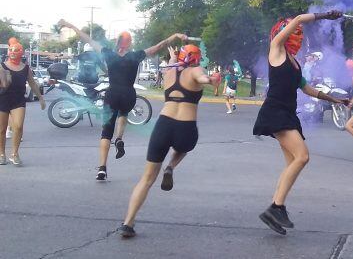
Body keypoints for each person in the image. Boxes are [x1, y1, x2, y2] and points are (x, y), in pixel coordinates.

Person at [252, 11, 349, 235]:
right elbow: (296, 19)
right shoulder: (276, 50)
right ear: (282, 33)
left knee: (293, 163)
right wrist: (325, 15)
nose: (297, 33)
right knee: (303, 156)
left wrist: (335, 100)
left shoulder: (294, 62)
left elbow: (308, 89)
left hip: (288, 114)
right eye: (293, 31)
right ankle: (275, 207)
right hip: (275, 112)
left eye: (298, 33)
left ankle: (277, 209)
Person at [59, 19, 186, 181]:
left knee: (106, 132)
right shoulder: (136, 56)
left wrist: (71, 26)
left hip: (112, 94)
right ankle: (119, 138)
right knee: (123, 114)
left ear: (118, 42)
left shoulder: (108, 53)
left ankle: (102, 169)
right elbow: (159, 46)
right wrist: (175, 35)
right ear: (129, 43)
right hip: (129, 95)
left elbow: (88, 40)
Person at [117, 44, 211, 238]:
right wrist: (210, 79)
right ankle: (171, 166)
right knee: (185, 147)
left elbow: (174, 63)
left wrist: (173, 58)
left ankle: (128, 223)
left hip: (163, 125)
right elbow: (202, 78)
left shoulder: (170, 70)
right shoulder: (196, 70)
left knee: (146, 179)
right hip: (185, 126)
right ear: (197, 58)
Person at [0, 40, 45, 166]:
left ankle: (14, 154)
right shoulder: (1, 66)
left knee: (18, 126)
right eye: (11, 50)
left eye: (16, 50)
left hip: (18, 100)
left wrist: (41, 98)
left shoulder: (25, 68)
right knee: (2, 129)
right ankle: (1, 153)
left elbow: (32, 84)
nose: (13, 53)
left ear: (21, 53)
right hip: (2, 99)